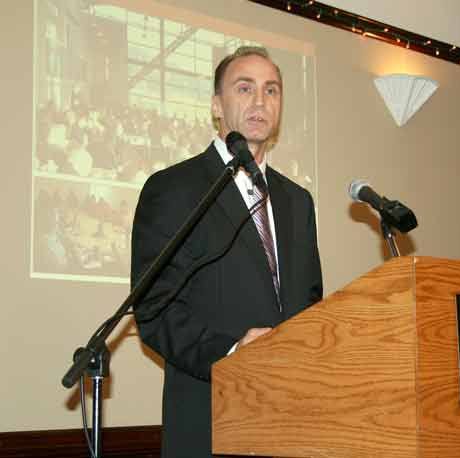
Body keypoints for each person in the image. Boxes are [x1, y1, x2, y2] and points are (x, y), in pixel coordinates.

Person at [131, 46, 323, 458]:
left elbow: (309, 303)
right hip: (209, 420)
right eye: (245, 88)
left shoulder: (298, 201)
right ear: (217, 106)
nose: (260, 101)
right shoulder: (174, 189)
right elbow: (154, 310)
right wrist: (233, 352)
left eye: (271, 91)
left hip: (291, 425)